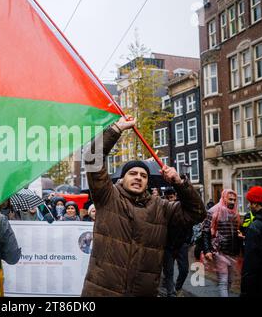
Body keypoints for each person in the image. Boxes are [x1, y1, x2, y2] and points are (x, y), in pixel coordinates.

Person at [81, 117, 206, 297]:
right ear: (122, 179)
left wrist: (180, 183)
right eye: (132, 173)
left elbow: (197, 213)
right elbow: (92, 159)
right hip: (103, 290)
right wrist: (116, 129)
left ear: (147, 182)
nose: (138, 177)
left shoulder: (162, 207)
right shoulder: (108, 196)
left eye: (143, 175)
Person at [202, 189, 241, 297]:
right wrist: (207, 250)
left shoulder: (235, 213)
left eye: (234, 199)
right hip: (219, 251)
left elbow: (236, 231)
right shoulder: (213, 211)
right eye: (230, 199)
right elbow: (205, 232)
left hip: (232, 252)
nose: (232, 202)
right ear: (224, 198)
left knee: (229, 281)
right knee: (223, 281)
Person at [159, 187, 193, 297]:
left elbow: (189, 223)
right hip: (167, 245)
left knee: (184, 270)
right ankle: (171, 293)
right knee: (169, 272)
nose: (170, 200)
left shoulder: (181, 208)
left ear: (175, 196)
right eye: (167, 198)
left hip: (181, 243)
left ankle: (177, 287)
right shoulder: (162, 209)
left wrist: (187, 239)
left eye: (172, 197)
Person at [241, 186, 262, 297]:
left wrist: (245, 292)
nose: (249, 206)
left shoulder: (255, 227)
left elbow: (250, 265)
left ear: (255, 204)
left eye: (250, 203)